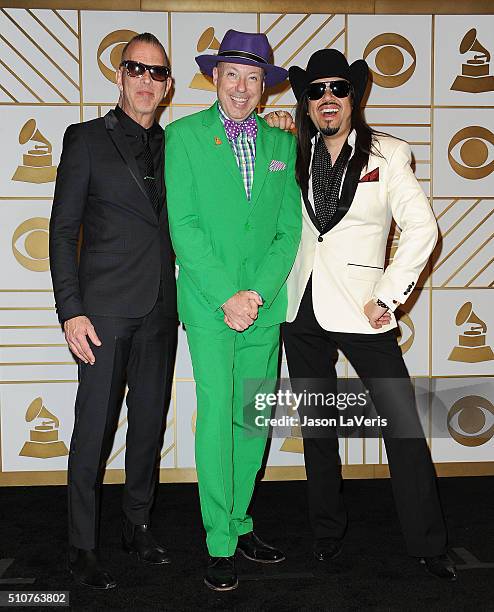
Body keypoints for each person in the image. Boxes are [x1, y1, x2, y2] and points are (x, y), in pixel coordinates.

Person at [266, 49, 457, 581]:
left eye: (339, 89)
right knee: (318, 427)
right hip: (300, 304)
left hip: (361, 306)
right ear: (306, 102)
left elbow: (423, 230)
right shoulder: (291, 148)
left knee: (402, 426)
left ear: (355, 96)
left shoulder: (388, 153)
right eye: (316, 91)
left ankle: (428, 543)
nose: (328, 98)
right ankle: (326, 533)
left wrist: (389, 295)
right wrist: (272, 122)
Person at [165, 30, 301, 591]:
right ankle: (218, 540)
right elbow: (185, 228)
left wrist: (259, 295)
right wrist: (228, 296)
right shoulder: (184, 137)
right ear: (214, 78)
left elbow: (288, 230)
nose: (242, 87)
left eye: (253, 78)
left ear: (264, 87)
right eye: (231, 75)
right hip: (210, 304)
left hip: (262, 309)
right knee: (219, 418)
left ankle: (241, 522)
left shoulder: (282, 144)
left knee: (253, 420)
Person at [49, 33, 177, 589]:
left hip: (160, 310)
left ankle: (137, 523)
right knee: (94, 430)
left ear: (168, 85)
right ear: (119, 76)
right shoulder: (84, 139)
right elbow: (62, 231)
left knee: (148, 424)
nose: (147, 81)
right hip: (100, 313)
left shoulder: (181, 146)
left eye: (157, 73)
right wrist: (70, 309)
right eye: (137, 70)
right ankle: (81, 545)